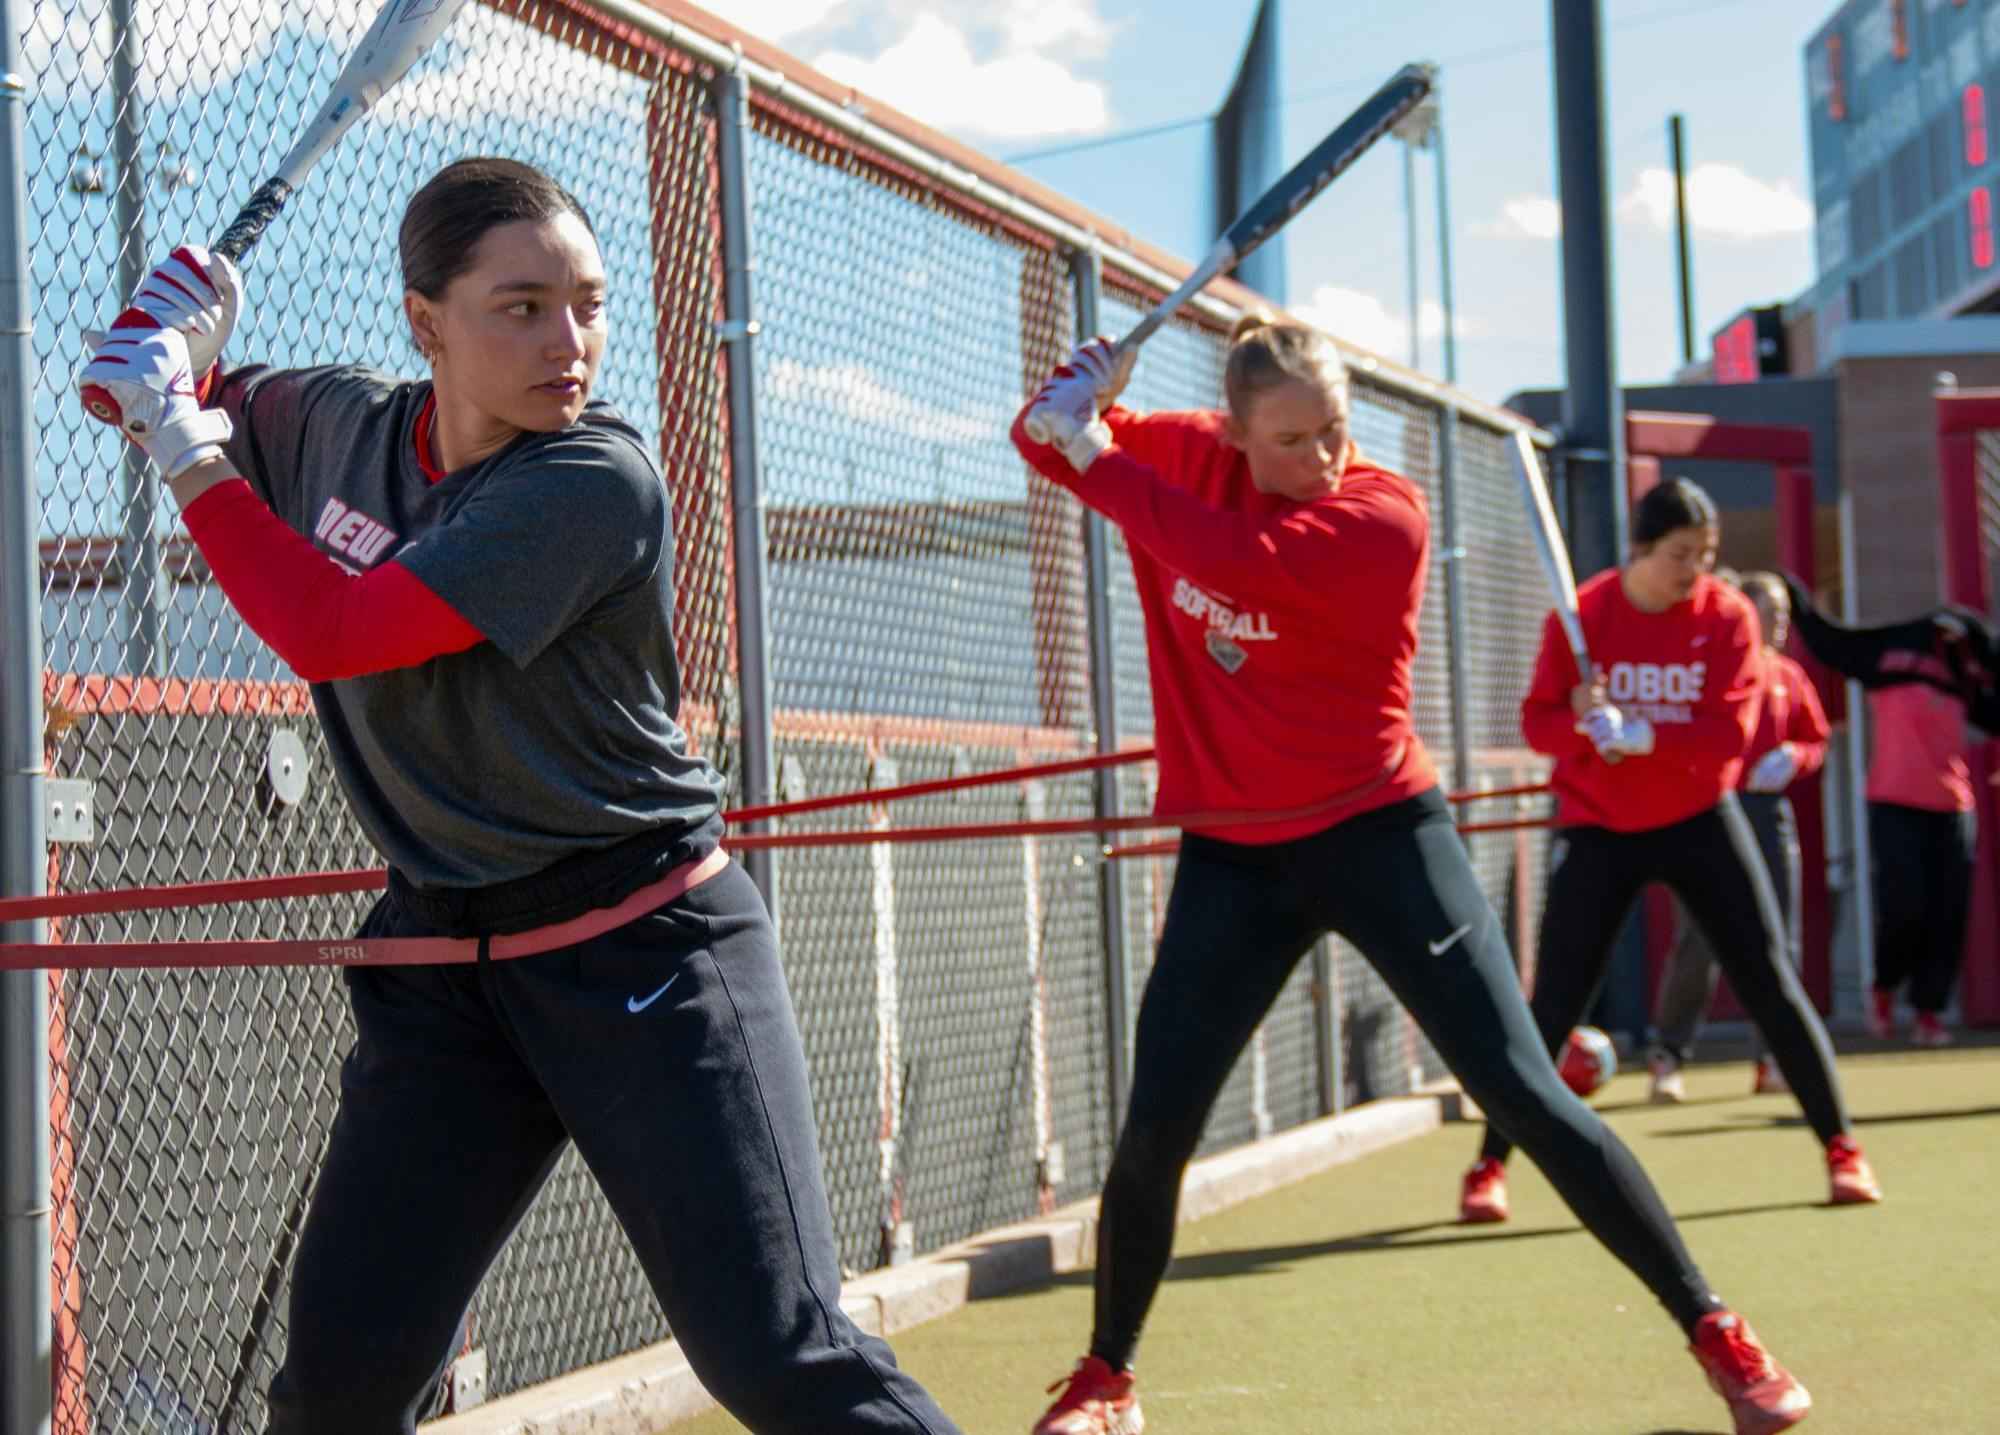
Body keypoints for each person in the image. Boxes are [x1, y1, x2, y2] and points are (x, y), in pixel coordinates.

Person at [78, 158, 961, 1435]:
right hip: (443, 970)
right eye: (522, 305)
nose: (570, 342)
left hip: (645, 956)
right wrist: (160, 345)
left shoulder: (591, 483)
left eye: (588, 305)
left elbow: (332, 626)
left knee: (779, 1357)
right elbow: (135, 395)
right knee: (337, 1388)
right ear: (422, 321)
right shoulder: (333, 421)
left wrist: (179, 432)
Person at [1012, 320, 1817, 1435]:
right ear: (1232, 435)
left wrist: (1091, 451)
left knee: (1524, 1091)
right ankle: (1108, 1379)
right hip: (1233, 855)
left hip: (1379, 832)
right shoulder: (1180, 455)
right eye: (1289, 440)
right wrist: (1078, 393)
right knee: (1153, 1130)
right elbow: (1042, 442)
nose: (1321, 456)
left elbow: (1229, 562)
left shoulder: (1380, 514)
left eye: (1332, 427)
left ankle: (1716, 1330)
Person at [1459, 480, 1880, 1229]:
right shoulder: (1583, 615)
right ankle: (1488, 1167)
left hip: (1697, 818)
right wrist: (1583, 722)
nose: (1695, 569)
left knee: (1768, 978)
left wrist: (1648, 734)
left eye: (1706, 554)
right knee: (1554, 1000)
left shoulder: (1727, 615)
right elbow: (1538, 724)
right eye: (1681, 554)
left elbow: (1728, 737)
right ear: (1642, 548)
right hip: (1599, 824)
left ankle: (1843, 1145)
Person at [1649, 572, 1830, 1101]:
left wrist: (1795, 756)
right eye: (1763, 610)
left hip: (1769, 816)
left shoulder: (1790, 675)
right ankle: (1669, 1057)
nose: (1774, 622)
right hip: (1709, 811)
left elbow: (1813, 738)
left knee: (1777, 938)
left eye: (1780, 612)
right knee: (1699, 938)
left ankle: (1774, 1058)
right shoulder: (1708, 673)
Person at [1864, 683, 1977, 1047]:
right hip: (1894, 803)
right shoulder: (1890, 677)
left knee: (1947, 912)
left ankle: (1927, 1010)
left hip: (1954, 807)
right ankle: (1885, 986)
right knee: (1905, 906)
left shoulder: (1966, 681)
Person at [1782, 572, 2000, 735]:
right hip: (1893, 789)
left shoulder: (1968, 663)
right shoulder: (1915, 648)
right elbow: (1830, 645)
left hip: (1945, 789)